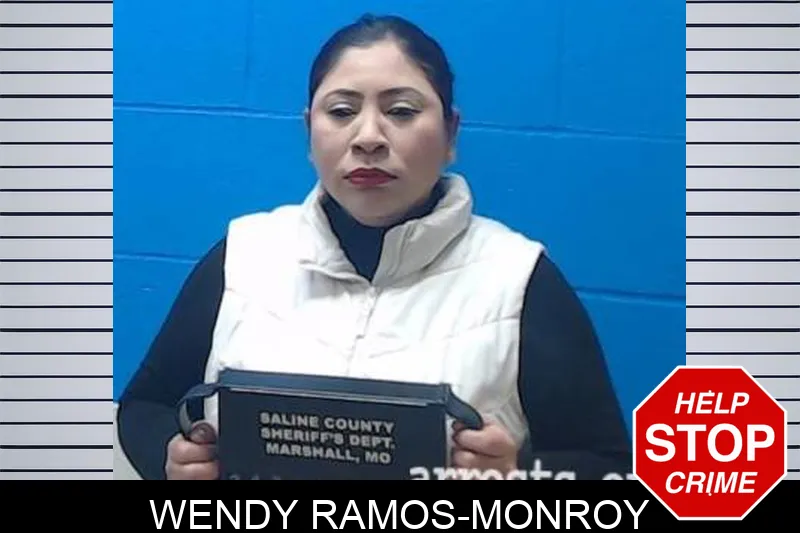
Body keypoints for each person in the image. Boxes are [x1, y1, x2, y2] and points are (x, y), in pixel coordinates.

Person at [116, 13, 631, 481]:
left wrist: (516, 474)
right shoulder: (244, 256)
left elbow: (607, 465)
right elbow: (144, 406)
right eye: (341, 111)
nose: (368, 137)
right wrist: (171, 458)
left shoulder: (518, 278)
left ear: (451, 133)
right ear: (309, 131)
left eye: (401, 111)